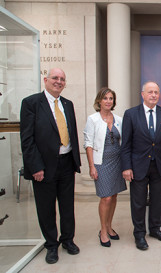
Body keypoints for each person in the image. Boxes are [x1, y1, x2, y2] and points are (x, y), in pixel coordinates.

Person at [20, 68, 81, 264]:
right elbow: (27, 139)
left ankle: (68, 240)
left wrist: (75, 161)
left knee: (67, 206)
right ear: (45, 80)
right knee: (46, 208)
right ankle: (51, 245)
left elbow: (72, 134)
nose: (59, 81)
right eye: (55, 78)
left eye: (62, 79)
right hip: (44, 167)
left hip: (66, 163)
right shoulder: (31, 103)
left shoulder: (67, 104)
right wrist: (35, 166)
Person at [120, 81, 161, 251]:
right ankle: (139, 234)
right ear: (142, 94)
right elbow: (126, 144)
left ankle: (155, 229)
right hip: (138, 166)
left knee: (158, 200)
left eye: (156, 92)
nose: (153, 95)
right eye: (150, 92)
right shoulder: (130, 114)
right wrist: (126, 167)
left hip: (160, 166)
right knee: (138, 202)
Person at [83, 88, 127, 247]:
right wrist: (91, 166)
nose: (108, 101)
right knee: (106, 197)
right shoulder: (93, 119)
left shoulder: (119, 119)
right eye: (105, 98)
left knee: (114, 196)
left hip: (117, 162)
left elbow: (124, 141)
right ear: (99, 101)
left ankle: (109, 226)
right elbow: (88, 144)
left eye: (111, 98)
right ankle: (102, 230)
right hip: (101, 163)